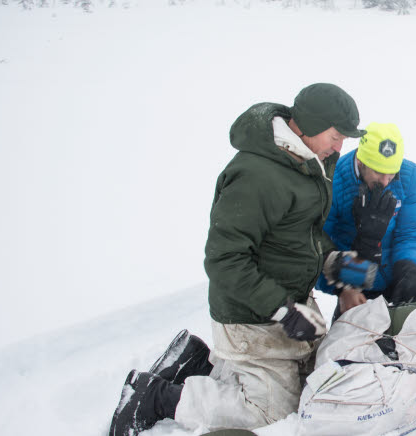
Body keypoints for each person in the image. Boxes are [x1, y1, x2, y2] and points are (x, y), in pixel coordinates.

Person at [108, 83, 365, 436]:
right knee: (272, 413)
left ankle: (198, 361)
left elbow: (300, 232)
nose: (341, 147)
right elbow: (223, 259)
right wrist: (282, 310)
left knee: (319, 383)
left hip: (289, 302)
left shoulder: (311, 161)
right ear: (309, 125)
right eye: (336, 136)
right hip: (250, 314)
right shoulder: (256, 175)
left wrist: (332, 259)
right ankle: (156, 397)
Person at [316, 122, 416, 316]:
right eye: (378, 172)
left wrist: (408, 267)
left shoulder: (410, 175)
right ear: (361, 162)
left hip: (395, 263)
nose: (386, 180)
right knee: (351, 341)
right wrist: (345, 288)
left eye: (392, 173)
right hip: (354, 275)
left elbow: (410, 231)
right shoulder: (332, 181)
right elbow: (317, 247)